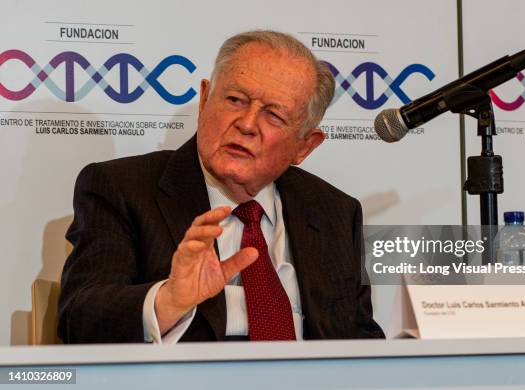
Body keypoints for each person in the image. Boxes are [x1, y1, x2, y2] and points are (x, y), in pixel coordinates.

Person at [57, 30, 384, 343]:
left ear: (305, 146)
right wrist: (169, 301)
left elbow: (360, 339)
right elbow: (79, 318)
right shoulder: (122, 188)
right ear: (204, 101)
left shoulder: (334, 212)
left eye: (274, 115)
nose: (246, 124)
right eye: (235, 99)